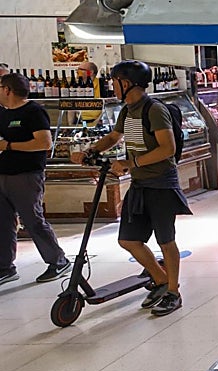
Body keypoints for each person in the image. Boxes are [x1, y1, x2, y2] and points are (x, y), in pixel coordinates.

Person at [80, 60, 191, 316]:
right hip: (140, 184)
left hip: (161, 184)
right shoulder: (127, 111)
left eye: (114, 81)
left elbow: (168, 149)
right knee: (128, 239)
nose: (111, 85)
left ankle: (173, 292)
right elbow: (113, 137)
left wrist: (131, 163)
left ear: (126, 83)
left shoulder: (154, 110)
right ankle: (161, 280)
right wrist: (91, 150)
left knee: (166, 240)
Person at [0, 72, 72, 286]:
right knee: (3, 222)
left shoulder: (34, 111)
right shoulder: (2, 114)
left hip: (26, 176)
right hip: (2, 174)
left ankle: (58, 261)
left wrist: (9, 146)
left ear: (7, 90)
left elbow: (44, 143)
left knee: (33, 220)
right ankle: (5, 266)